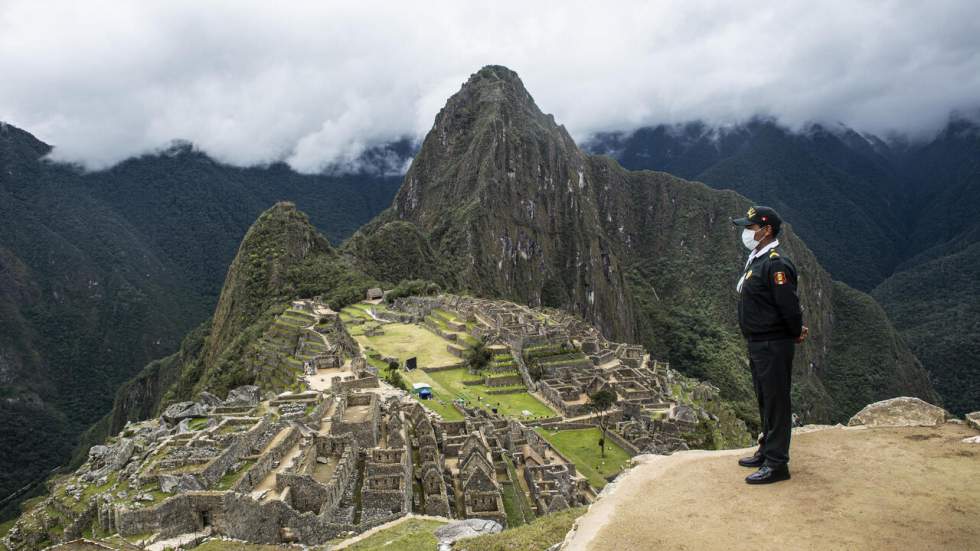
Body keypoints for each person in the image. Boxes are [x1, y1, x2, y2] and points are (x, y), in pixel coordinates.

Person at [731, 205, 808, 484]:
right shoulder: (757, 259)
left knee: (777, 401)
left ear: (766, 231)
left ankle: (777, 464)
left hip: (773, 343)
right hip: (758, 343)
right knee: (765, 398)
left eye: (750, 228)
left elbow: (789, 306)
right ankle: (766, 449)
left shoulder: (775, 264)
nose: (746, 233)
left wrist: (795, 331)